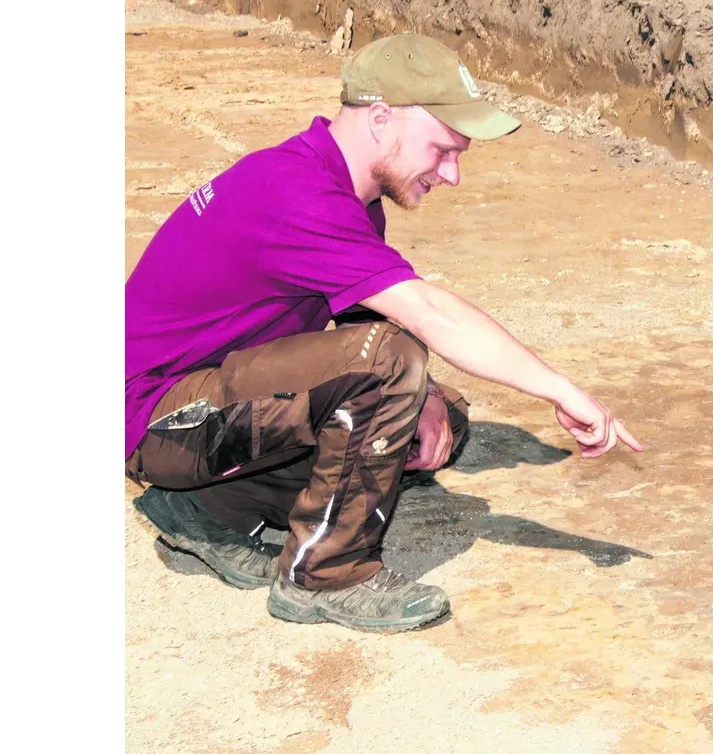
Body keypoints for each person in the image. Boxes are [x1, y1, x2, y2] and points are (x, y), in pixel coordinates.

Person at [125, 34, 643, 633]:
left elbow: (361, 318)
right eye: (443, 150)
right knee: (392, 363)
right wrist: (559, 389)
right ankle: (324, 577)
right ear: (380, 118)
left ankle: (204, 511)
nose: (452, 175)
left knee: (437, 414)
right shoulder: (296, 194)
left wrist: (422, 398)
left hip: (202, 405)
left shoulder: (341, 191)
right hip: (156, 420)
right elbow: (426, 315)